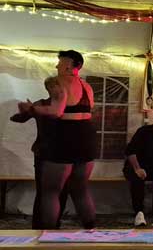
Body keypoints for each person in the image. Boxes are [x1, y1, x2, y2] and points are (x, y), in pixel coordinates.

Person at [17, 50, 97, 229]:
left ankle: (47, 235)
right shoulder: (87, 87)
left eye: (60, 62)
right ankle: (92, 233)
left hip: (64, 139)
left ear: (69, 65)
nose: (56, 66)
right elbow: (85, 110)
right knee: (81, 190)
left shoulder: (57, 82)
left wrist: (31, 108)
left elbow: (57, 111)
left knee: (51, 192)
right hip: (86, 139)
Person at [10, 77, 69, 228]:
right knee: (43, 191)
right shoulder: (40, 104)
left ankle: (54, 225)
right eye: (51, 87)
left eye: (56, 86)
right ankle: (38, 227)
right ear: (48, 89)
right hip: (43, 153)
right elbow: (19, 118)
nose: (55, 89)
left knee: (62, 191)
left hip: (64, 154)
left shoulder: (66, 105)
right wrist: (21, 111)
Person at [123, 114, 153, 227]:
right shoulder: (144, 131)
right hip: (136, 165)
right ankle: (139, 213)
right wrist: (137, 168)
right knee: (137, 177)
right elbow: (130, 151)